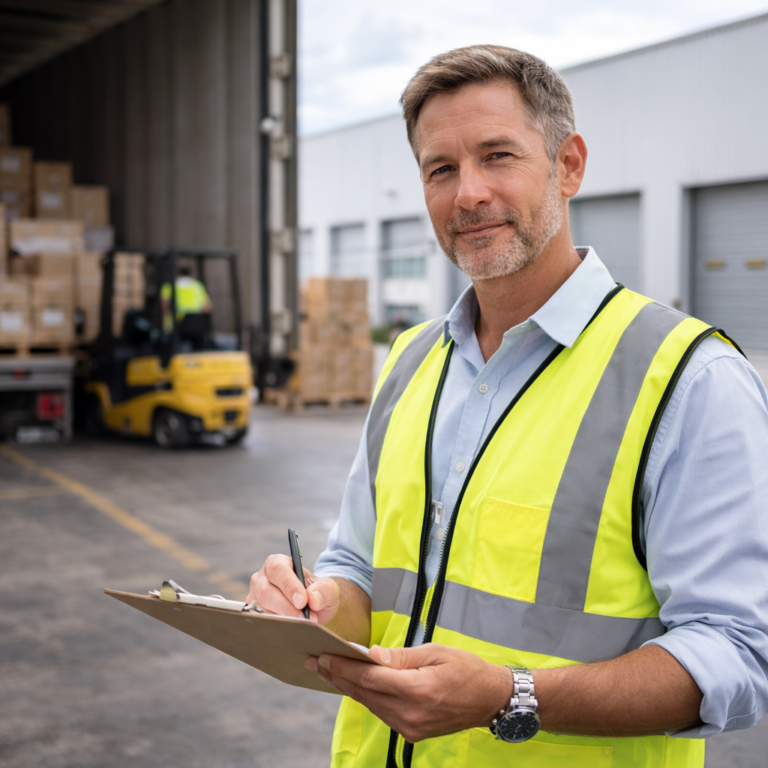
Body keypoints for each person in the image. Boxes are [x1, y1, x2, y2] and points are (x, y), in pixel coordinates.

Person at [248, 45, 768, 767]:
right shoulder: (409, 361)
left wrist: (511, 695)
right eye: (441, 169)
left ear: (569, 165)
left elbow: (738, 656)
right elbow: (359, 564)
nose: (468, 194)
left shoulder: (688, 378)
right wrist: (317, 605)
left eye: (498, 156)